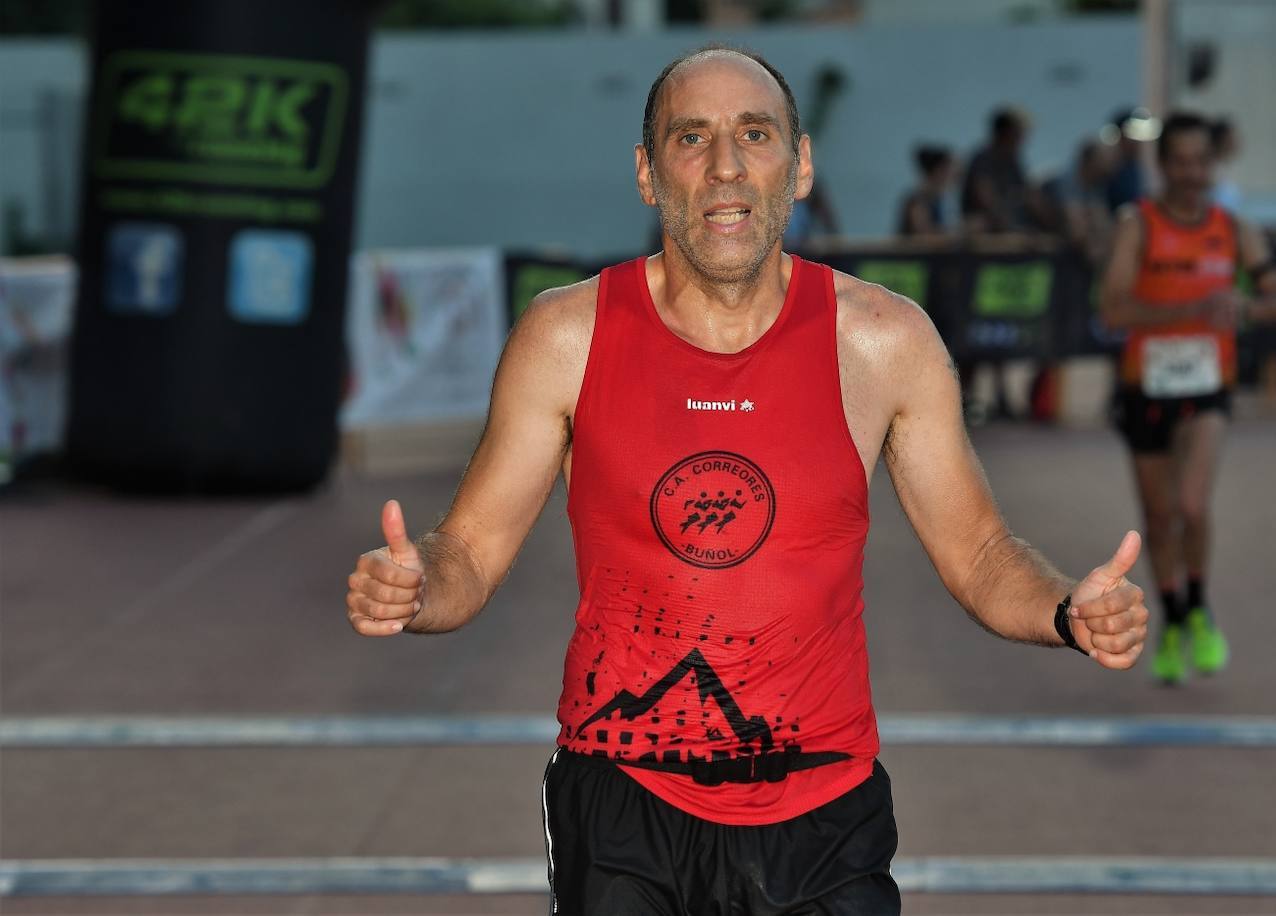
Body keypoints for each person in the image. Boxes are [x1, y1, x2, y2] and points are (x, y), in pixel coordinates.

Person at [347, 46, 1150, 915]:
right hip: (624, 804)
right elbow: (470, 548)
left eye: (755, 134)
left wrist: (1069, 610)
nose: (725, 166)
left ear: (800, 166)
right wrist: (415, 588)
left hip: (823, 811)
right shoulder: (567, 337)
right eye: (691, 138)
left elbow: (983, 554)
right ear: (648, 175)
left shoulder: (882, 341)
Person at [1101, 111, 1276, 687]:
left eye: (1201, 162)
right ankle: (1173, 621)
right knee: (1159, 520)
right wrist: (1189, 312)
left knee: (1191, 506)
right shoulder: (1136, 225)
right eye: (1180, 162)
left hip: (1207, 388)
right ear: (1163, 166)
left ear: (1215, 165)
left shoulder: (1235, 229)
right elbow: (1112, 310)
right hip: (1146, 388)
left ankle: (1200, 610)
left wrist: (1250, 308)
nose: (1191, 173)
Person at [959, 106, 1045, 232]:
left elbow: (1030, 196)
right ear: (1007, 133)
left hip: (1012, 227)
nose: (1024, 139)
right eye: (1021, 133)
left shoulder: (1013, 162)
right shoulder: (983, 159)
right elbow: (985, 199)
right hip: (989, 230)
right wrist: (1012, 226)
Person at [895, 144, 957, 236]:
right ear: (938, 171)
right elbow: (926, 234)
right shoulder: (917, 201)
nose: (953, 174)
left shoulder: (940, 199)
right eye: (949, 169)